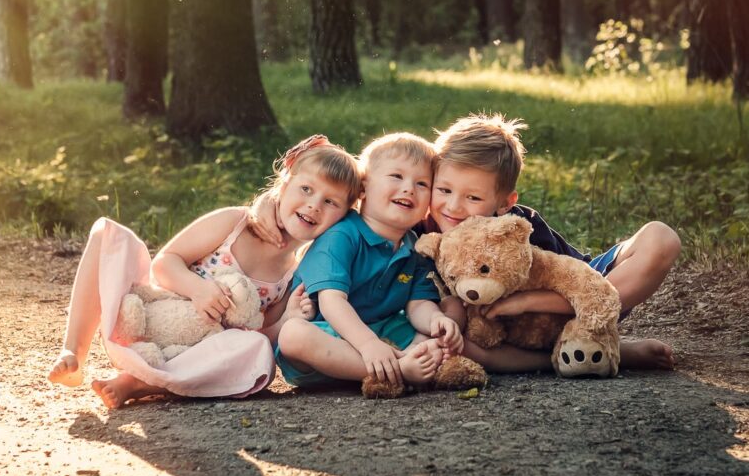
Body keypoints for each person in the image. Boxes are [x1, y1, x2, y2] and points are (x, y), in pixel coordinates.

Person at [47, 135, 362, 408]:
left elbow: (259, 333)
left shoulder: (294, 272)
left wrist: (287, 320)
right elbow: (165, 263)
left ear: (344, 217)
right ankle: (74, 352)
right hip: (144, 320)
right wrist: (197, 289)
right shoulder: (235, 224)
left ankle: (141, 382)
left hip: (197, 355)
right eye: (306, 188)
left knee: (259, 352)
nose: (314, 205)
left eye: (330, 201)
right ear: (286, 182)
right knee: (109, 234)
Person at [427, 112, 680, 372]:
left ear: (504, 203)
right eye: (444, 190)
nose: (453, 206)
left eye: (473, 198)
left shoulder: (519, 229)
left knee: (662, 238)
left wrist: (526, 302)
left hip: (580, 301)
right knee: (453, 338)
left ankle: (590, 345)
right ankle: (606, 355)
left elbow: (566, 279)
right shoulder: (421, 235)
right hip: (499, 337)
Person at [273, 133, 463, 391]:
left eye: (422, 183)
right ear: (363, 188)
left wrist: (435, 320)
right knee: (293, 335)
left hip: (383, 332)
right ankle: (397, 371)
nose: (409, 188)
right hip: (328, 336)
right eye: (396, 176)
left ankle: (408, 361)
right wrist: (368, 344)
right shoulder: (342, 235)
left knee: (441, 328)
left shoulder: (414, 247)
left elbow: (417, 303)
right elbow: (331, 302)